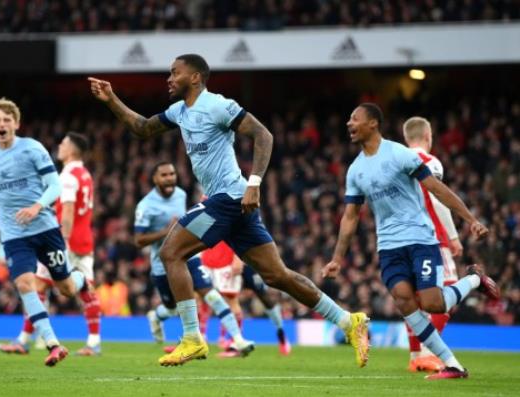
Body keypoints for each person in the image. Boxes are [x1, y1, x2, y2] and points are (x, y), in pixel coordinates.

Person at [89, 53, 369, 367]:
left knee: (170, 253)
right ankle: (348, 321)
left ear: (195, 77)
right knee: (277, 276)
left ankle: (193, 338)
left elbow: (263, 134)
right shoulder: (180, 112)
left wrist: (255, 183)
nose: (168, 79)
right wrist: (111, 99)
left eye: (174, 73)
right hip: (233, 203)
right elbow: (142, 128)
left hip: (230, 197)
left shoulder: (218, 105)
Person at [323, 103, 500, 380]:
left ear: (373, 124)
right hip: (388, 247)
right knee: (405, 302)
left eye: (354, 118)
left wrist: (470, 219)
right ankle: (452, 364)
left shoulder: (399, 154)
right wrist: (337, 257)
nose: (349, 123)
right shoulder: (355, 170)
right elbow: (350, 217)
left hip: (419, 238)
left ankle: (475, 279)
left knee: (433, 303)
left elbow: (437, 189)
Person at [0, 98, 88, 367]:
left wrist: (37, 206)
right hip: (13, 232)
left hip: (45, 227)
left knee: (66, 289)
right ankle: (53, 344)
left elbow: (54, 186)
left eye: (7, 120)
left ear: (16, 123)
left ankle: (81, 278)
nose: (2, 124)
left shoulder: (32, 149)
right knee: (25, 284)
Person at [0, 132, 102, 356]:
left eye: (63, 143)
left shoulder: (67, 177)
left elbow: (69, 210)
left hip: (66, 240)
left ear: (72, 150)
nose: (59, 146)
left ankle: (23, 340)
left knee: (38, 285)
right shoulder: (85, 174)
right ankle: (93, 342)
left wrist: (62, 241)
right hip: (85, 239)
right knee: (86, 289)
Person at [135, 162, 255, 356]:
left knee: (212, 295)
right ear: (155, 179)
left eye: (172, 174)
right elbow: (139, 240)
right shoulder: (146, 205)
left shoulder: (182, 195)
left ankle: (238, 340)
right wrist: (167, 231)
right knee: (173, 308)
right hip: (162, 264)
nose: (169, 178)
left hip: (189, 256)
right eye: (164, 175)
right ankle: (156, 316)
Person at [403, 116, 464, 372]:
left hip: (402, 241)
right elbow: (437, 199)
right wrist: (453, 236)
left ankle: (415, 354)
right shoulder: (429, 161)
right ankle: (427, 352)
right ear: (428, 136)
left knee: (414, 301)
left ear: (407, 138)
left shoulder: (394, 162)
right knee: (445, 297)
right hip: (432, 239)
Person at [201, 240, 291, 356]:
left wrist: (238, 257)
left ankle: (281, 334)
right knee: (218, 297)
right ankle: (230, 341)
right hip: (223, 259)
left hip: (248, 258)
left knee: (265, 298)